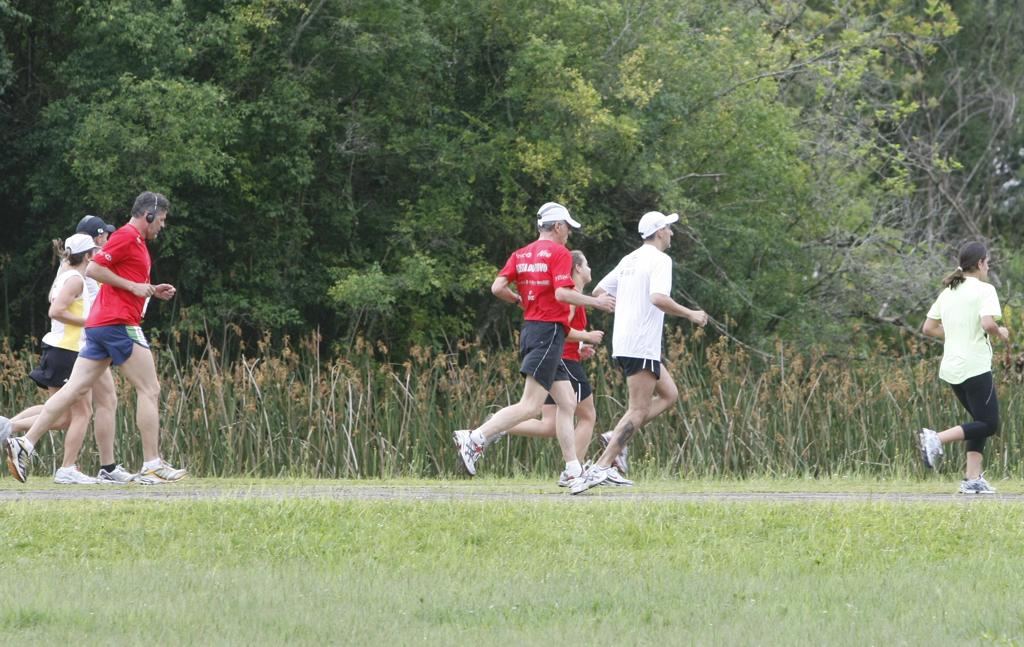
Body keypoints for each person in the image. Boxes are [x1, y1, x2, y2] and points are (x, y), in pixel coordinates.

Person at [4, 191, 186, 485]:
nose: (162, 226)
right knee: (149, 389)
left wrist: (150, 289)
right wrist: (134, 287)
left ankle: (25, 442)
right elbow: (96, 268)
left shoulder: (135, 241)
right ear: (148, 215)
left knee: (73, 389)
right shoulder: (127, 236)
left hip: (101, 325)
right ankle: (152, 463)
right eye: (161, 220)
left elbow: (119, 280)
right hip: (118, 324)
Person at [452, 203, 615, 486]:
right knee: (530, 406)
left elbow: (497, 288)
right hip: (548, 332)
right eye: (568, 228)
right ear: (558, 227)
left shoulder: (521, 254)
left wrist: (521, 301)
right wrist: (596, 302)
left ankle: (573, 471)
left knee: (567, 402)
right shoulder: (559, 253)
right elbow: (563, 293)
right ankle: (475, 437)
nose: (568, 235)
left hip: (532, 329)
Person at [570, 210, 708, 495]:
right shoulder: (660, 260)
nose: (671, 233)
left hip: (626, 342)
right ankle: (602, 466)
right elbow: (657, 298)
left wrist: (628, 308)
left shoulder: (629, 259)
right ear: (659, 232)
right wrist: (691, 314)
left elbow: (598, 291)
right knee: (638, 409)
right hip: (641, 344)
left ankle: (614, 436)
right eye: (669, 229)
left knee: (669, 395)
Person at [0, 216, 134, 483]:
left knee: (67, 413)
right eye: (103, 236)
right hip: (77, 346)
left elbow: (58, 299)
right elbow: (57, 308)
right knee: (79, 413)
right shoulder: (81, 274)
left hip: (77, 345)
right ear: (93, 243)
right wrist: (93, 320)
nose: (107, 240)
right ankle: (66, 467)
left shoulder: (70, 269)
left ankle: (9, 428)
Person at [502, 250, 630, 486]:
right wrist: (587, 336)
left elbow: (564, 332)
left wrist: (581, 345)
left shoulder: (575, 296)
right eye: (587, 264)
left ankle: (499, 424)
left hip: (565, 358)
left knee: (549, 425)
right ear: (578, 269)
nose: (590, 269)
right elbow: (561, 330)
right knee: (588, 415)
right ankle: (574, 472)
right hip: (564, 362)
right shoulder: (571, 297)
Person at [918, 241, 1009, 494]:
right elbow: (988, 323)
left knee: (979, 421)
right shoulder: (985, 289)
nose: (988, 267)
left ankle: (972, 479)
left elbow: (928, 328)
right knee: (989, 424)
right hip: (975, 366)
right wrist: (1000, 332)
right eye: (987, 262)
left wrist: (957, 335)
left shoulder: (948, 292)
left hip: (952, 369)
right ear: (980, 263)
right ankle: (935, 438)